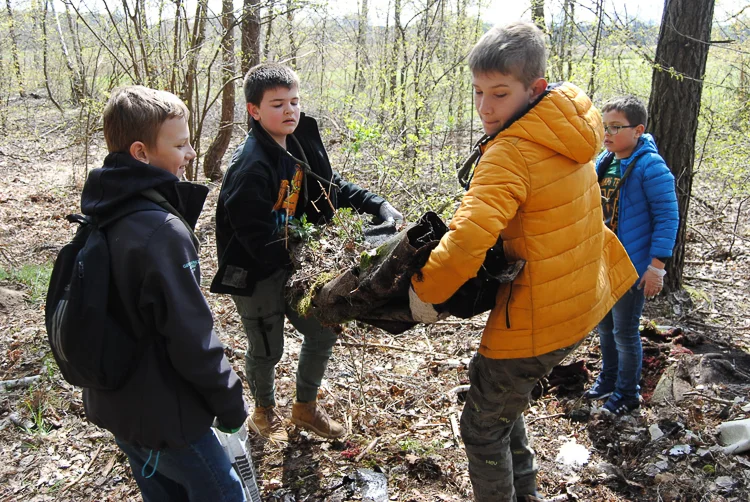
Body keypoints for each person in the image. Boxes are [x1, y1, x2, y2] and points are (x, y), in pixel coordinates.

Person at [407, 22, 638, 502]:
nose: (486, 107)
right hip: (582, 298)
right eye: (477, 93)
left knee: (481, 428)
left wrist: (422, 293)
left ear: (534, 88)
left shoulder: (510, 152)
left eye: (499, 93)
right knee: (499, 405)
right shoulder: (568, 125)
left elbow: (469, 237)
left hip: (540, 314)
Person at [211, 63, 402, 443]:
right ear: (254, 110)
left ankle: (305, 408)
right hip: (257, 272)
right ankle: (263, 412)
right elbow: (253, 237)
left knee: (324, 328)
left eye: (295, 101)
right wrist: (306, 259)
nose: (290, 111)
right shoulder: (249, 168)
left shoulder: (300, 139)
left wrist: (378, 205)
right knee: (267, 349)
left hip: (297, 263)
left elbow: (329, 186)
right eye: (278, 104)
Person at [80, 86, 248, 501]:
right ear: (140, 152)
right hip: (168, 417)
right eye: (180, 144)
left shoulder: (103, 208)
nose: (191, 153)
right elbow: (191, 336)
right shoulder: (160, 231)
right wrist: (230, 404)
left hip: (119, 407)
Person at [583, 95, 679, 414]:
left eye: (615, 127)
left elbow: (667, 216)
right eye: (604, 126)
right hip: (603, 262)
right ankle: (608, 380)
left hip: (632, 265)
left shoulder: (651, 167)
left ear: (638, 130)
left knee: (625, 331)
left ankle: (628, 393)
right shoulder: (605, 162)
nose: (607, 133)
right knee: (605, 327)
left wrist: (657, 267)